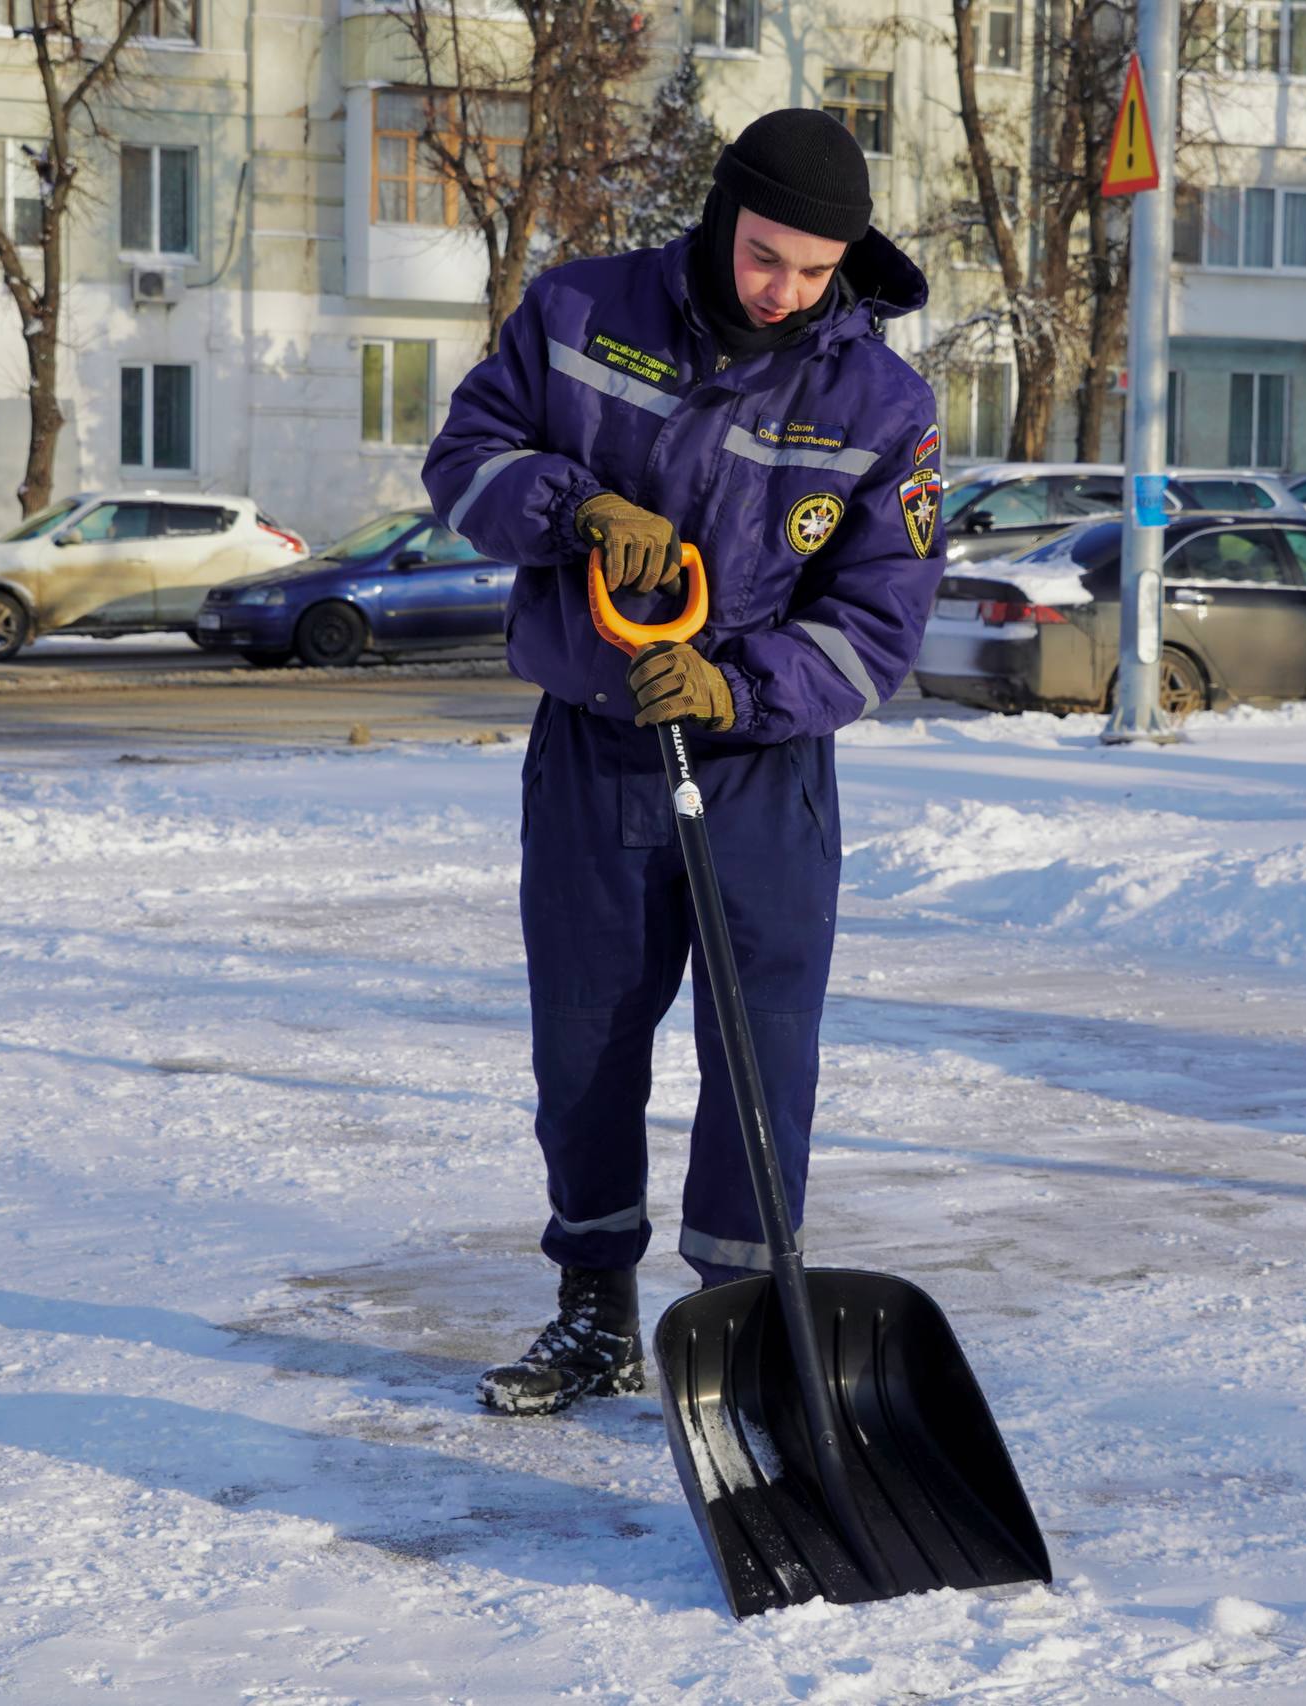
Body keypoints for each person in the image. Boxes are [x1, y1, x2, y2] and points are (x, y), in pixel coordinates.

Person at [423, 109, 944, 1417]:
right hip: (596, 754)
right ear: (720, 217)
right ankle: (593, 1311)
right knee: (585, 1042)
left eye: (816, 270)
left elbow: (882, 620)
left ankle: (744, 1324)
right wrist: (577, 508)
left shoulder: (882, 404)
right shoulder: (578, 313)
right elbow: (464, 464)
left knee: (761, 1054)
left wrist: (737, 683)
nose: (786, 291)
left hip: (765, 770)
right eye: (766, 256)